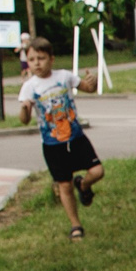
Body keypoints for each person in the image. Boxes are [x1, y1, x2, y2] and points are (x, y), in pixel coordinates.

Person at [17, 36, 104, 239]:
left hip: (76, 138)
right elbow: (23, 120)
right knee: (64, 184)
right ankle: (76, 225)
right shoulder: (29, 87)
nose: (37, 63)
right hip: (52, 144)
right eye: (32, 60)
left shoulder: (64, 76)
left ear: (51, 59)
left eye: (41, 58)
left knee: (98, 171)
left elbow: (87, 88)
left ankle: (83, 184)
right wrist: (24, 108)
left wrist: (93, 81)